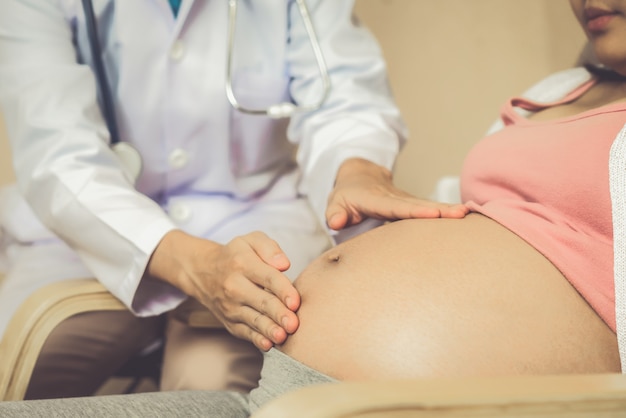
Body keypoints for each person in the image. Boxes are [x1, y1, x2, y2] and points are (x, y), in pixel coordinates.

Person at [2, 0, 625, 414]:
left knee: (210, 367)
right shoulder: (556, 97)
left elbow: (343, 95)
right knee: (25, 365)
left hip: (268, 259)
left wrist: (356, 168)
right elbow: (56, 151)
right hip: (86, 232)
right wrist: (190, 263)